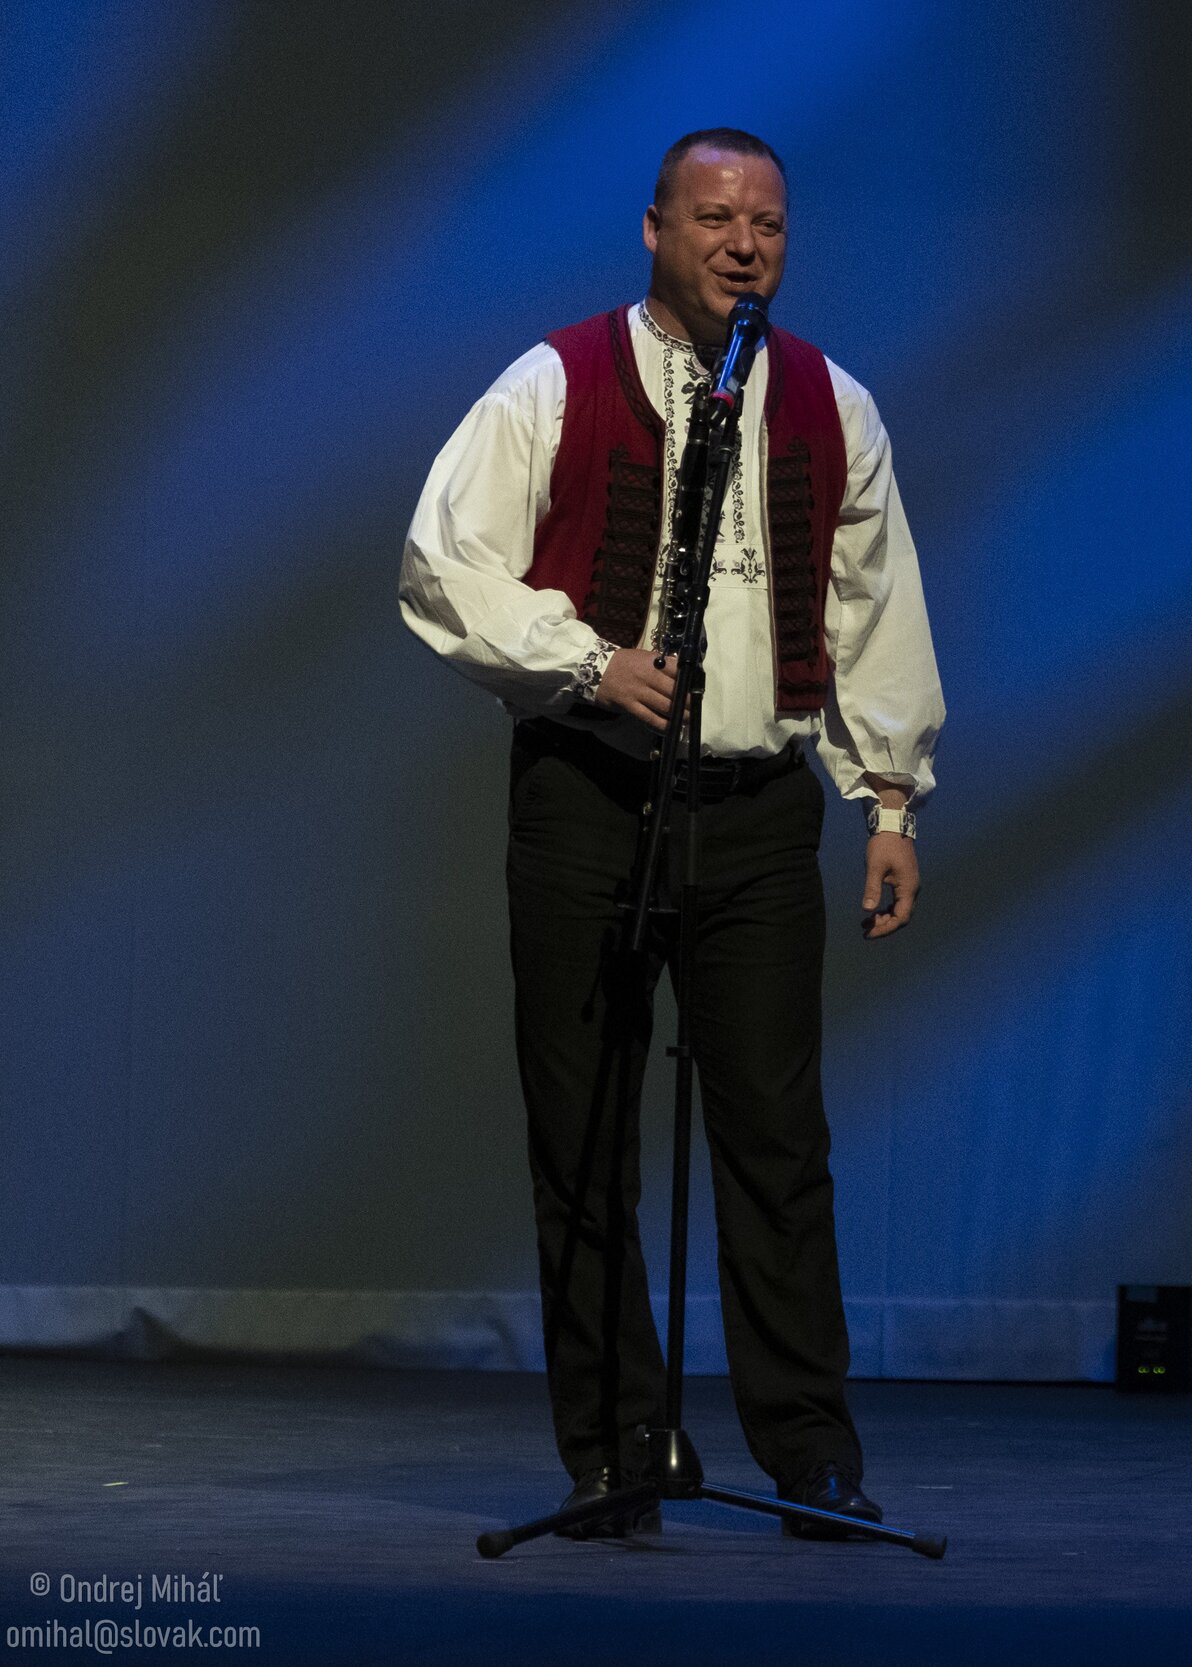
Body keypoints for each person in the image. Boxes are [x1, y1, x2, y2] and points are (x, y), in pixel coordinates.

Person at [399, 128, 943, 1538]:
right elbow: (442, 553)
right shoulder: (558, 381)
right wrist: (583, 658)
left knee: (777, 1133)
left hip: (756, 812)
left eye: (765, 219)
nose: (742, 241)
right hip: (591, 795)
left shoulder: (831, 401)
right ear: (654, 229)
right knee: (582, 1131)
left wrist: (886, 798)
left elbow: (872, 609)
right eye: (713, 217)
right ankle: (618, 1443)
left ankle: (810, 1449)